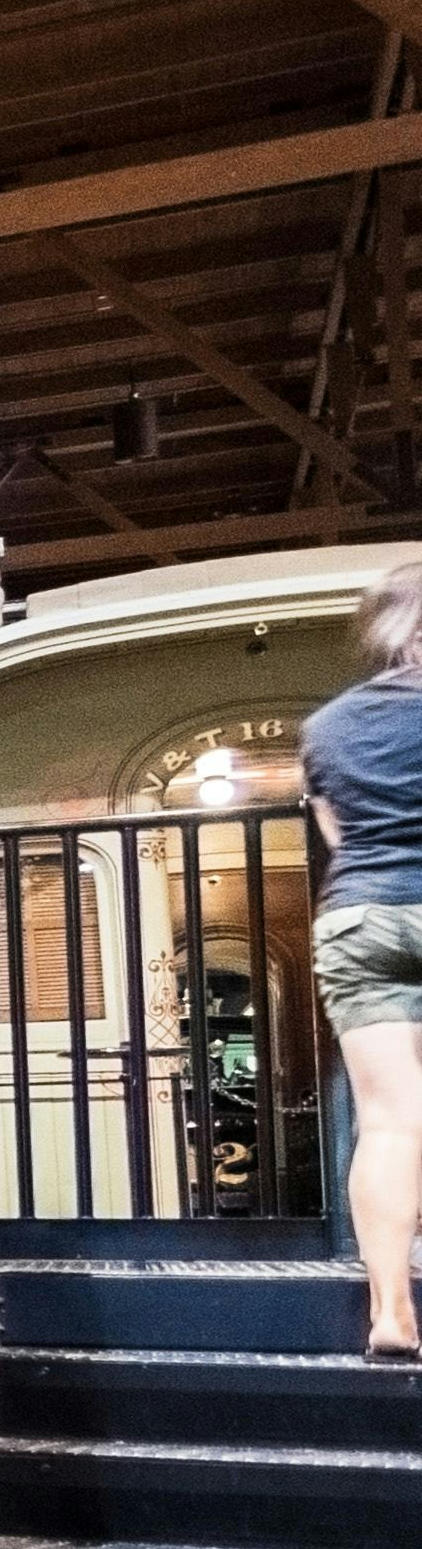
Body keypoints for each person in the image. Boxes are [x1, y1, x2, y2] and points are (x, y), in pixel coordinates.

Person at [312, 555, 422, 1361]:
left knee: (387, 1121)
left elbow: (337, 839)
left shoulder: (326, 728)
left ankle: (390, 1308)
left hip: (358, 916)